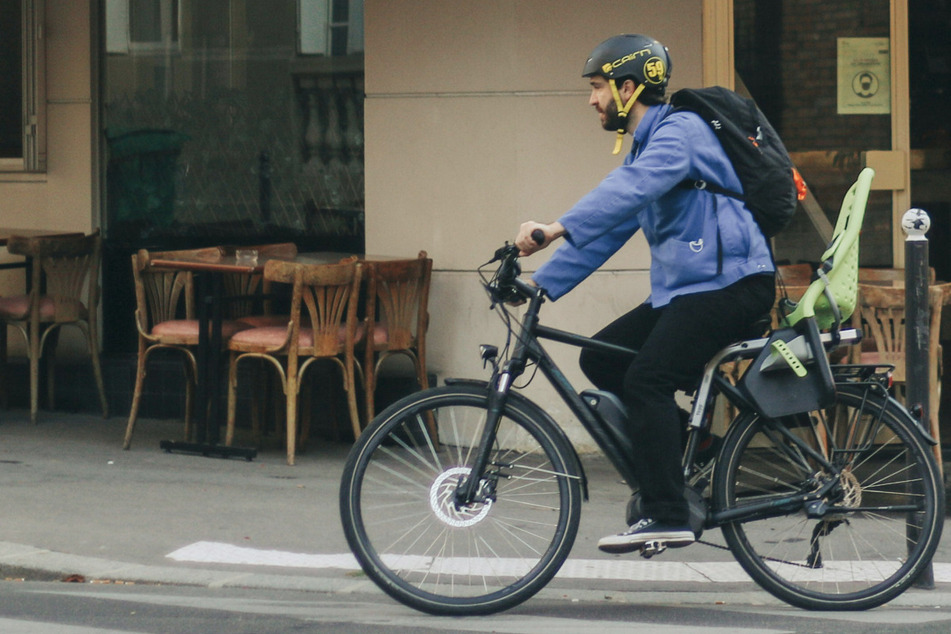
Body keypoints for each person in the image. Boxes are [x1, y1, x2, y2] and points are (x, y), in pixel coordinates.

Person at [514, 34, 776, 554]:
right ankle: (695, 449)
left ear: (628, 88)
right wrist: (540, 283)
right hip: (695, 289)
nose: (592, 100)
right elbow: (614, 225)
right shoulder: (648, 145)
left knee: (647, 380)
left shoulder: (681, 131)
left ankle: (666, 512)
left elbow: (630, 189)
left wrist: (555, 226)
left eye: (597, 88)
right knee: (602, 361)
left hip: (732, 286)